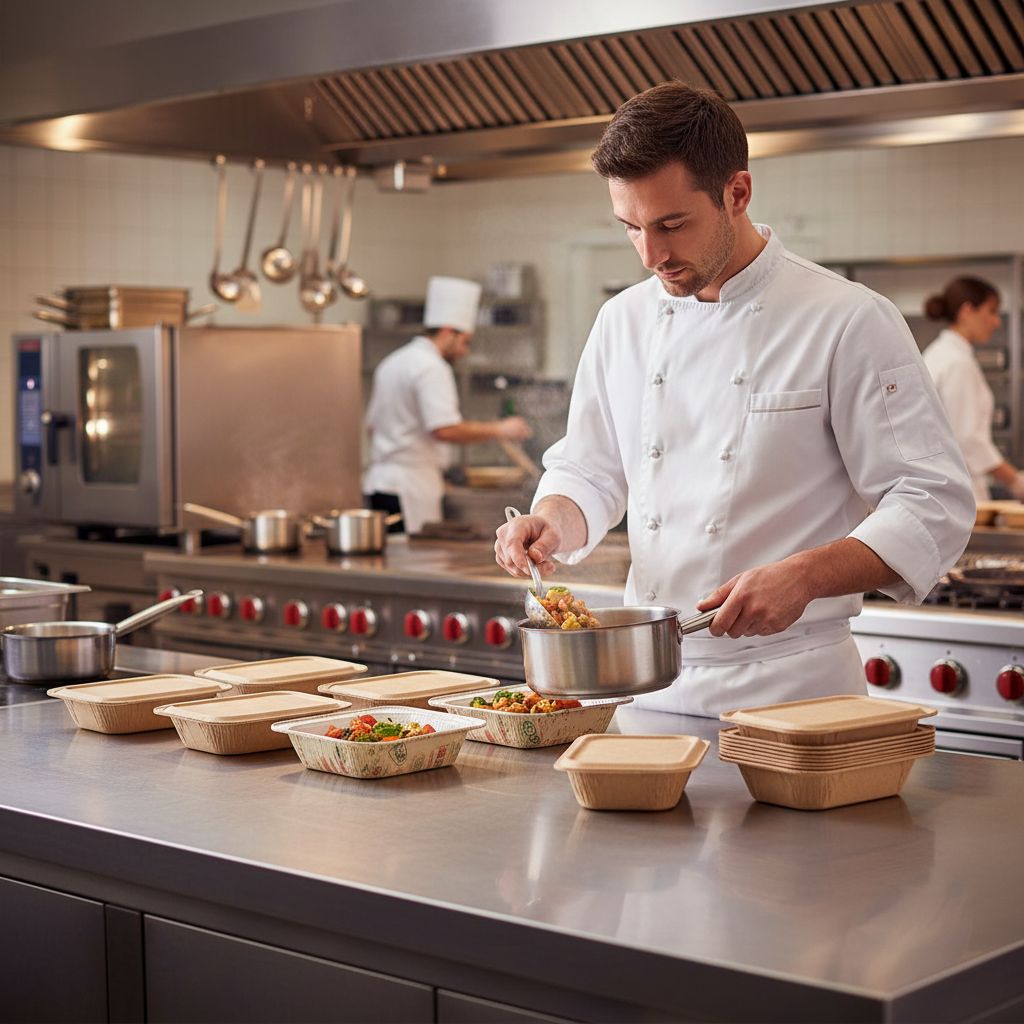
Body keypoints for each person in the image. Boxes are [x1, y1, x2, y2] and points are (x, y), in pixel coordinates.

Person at [494, 83, 975, 717]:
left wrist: (804, 576)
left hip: (795, 690)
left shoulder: (847, 318)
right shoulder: (622, 321)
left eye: (671, 225)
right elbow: (590, 470)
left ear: (737, 193)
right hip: (649, 687)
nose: (652, 255)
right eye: (631, 228)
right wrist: (553, 522)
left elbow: (932, 501)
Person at [363, 275, 532, 534]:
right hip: (410, 489)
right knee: (410, 556)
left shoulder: (393, 362)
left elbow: (371, 427)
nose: (465, 352)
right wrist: (500, 429)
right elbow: (444, 429)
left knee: (390, 554)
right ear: (447, 332)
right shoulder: (432, 367)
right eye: (465, 342)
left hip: (379, 483)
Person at [922, 277, 1024, 502]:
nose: (996, 322)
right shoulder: (956, 363)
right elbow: (968, 440)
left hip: (945, 489)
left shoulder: (941, 354)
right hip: (958, 492)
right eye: (991, 311)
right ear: (967, 311)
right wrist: (1016, 481)